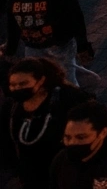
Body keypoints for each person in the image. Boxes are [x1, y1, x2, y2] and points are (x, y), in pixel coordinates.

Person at [0, 57, 95, 189]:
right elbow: (6, 142)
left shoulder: (66, 99)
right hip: (33, 178)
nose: (17, 88)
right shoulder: (12, 108)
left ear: (41, 81)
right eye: (13, 85)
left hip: (68, 175)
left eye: (23, 84)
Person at [3, 0, 94, 86]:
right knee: (41, 81)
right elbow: (12, 22)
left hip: (59, 47)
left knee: (66, 81)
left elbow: (76, 18)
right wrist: (10, 49)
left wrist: (82, 45)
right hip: (32, 47)